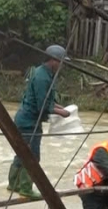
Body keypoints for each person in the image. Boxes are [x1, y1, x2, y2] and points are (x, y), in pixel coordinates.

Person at [8, 45, 72, 199]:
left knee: (22, 153)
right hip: (29, 122)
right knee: (32, 156)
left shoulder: (43, 73)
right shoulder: (43, 77)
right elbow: (42, 105)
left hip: (25, 119)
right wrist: (62, 112)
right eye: (61, 62)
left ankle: (13, 184)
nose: (62, 66)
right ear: (53, 61)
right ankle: (25, 189)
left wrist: (59, 106)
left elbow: (47, 100)